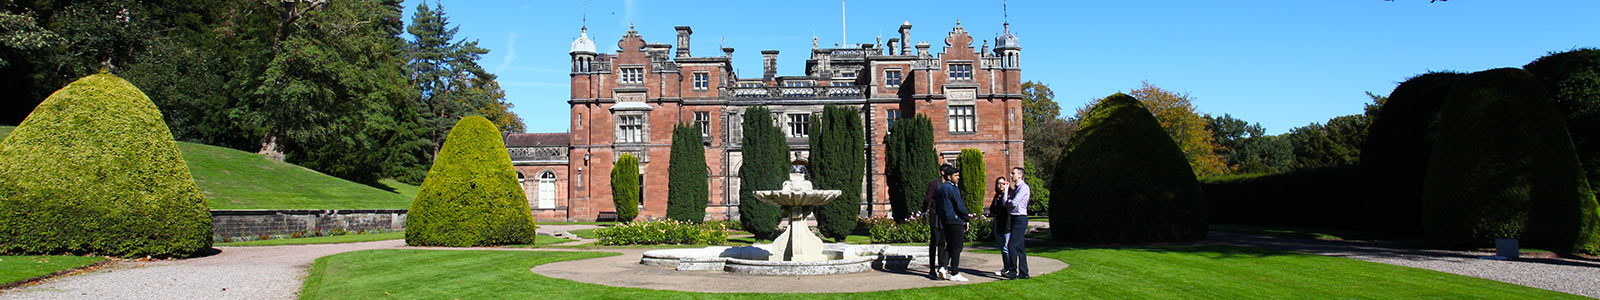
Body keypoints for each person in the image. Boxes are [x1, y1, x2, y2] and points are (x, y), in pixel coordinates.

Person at [934, 163, 971, 282]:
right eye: (956, 175)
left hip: (945, 220)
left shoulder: (941, 189)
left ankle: (943, 267)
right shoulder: (953, 188)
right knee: (957, 247)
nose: (958, 177)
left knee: (949, 245)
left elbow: (939, 206)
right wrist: (966, 218)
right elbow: (959, 205)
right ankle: (954, 272)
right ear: (949, 177)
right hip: (955, 220)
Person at [1004, 167, 1032, 279]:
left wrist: (1008, 202)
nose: (1011, 176)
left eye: (1013, 173)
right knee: (1020, 247)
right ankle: (1024, 272)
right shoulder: (1015, 189)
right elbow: (1004, 203)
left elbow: (1014, 203)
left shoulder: (1024, 188)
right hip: (1014, 217)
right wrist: (1006, 191)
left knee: (1011, 245)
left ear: (1020, 175)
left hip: (1020, 218)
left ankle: (1012, 270)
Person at [922, 172, 946, 280]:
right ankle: (932, 268)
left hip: (944, 216)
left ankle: (941, 267)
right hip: (935, 215)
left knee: (942, 242)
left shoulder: (949, 185)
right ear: (943, 173)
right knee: (934, 241)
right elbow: (927, 199)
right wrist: (923, 213)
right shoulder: (934, 184)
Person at [990, 176, 1014, 278]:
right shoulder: (997, 196)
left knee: (1006, 247)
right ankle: (1006, 267)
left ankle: (1010, 268)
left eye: (1003, 183)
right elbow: (992, 209)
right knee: (1002, 247)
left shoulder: (1009, 195)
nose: (1001, 185)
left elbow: (1006, 208)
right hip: (998, 222)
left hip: (1006, 224)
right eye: (999, 183)